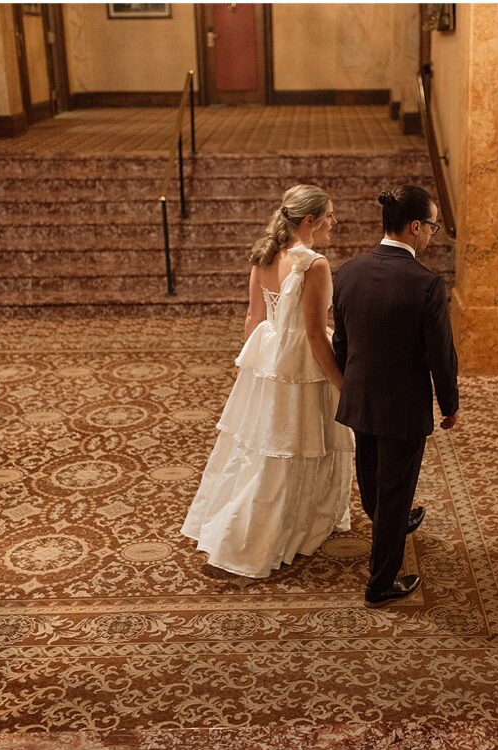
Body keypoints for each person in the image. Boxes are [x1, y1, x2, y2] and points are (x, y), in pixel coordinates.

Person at [182, 184, 353, 578]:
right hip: (301, 365)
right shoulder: (315, 264)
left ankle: (237, 519)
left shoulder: (264, 254)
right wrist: (343, 385)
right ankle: (284, 527)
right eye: (329, 215)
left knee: (264, 445)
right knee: (297, 445)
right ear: (309, 221)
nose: (334, 222)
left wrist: (252, 371)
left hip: (269, 357)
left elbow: (253, 318)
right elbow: (313, 334)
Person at [332, 184, 459, 608]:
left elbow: (343, 344)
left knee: (372, 477)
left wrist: (349, 386)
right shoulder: (426, 284)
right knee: (395, 487)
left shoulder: (348, 272)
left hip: (361, 398)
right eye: (432, 228)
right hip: (403, 406)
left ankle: (392, 518)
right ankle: (381, 582)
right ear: (415, 227)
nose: (432, 236)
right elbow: (440, 354)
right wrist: (450, 404)